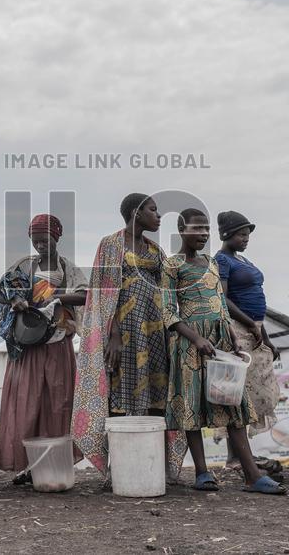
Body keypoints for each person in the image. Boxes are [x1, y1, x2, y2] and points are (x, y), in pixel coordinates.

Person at [161, 209, 285, 494]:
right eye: (197, 229)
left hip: (220, 342)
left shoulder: (211, 263)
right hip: (189, 343)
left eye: (206, 229)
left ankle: (252, 476)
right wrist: (195, 339)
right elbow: (168, 312)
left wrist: (229, 332)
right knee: (191, 404)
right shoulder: (172, 265)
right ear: (182, 230)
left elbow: (220, 301)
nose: (203, 234)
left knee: (233, 404)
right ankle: (203, 473)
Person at [72, 193, 186, 479]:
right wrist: (112, 336)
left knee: (158, 394)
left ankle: (152, 467)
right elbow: (102, 292)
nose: (158, 215)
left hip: (155, 332)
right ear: (136, 212)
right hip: (124, 332)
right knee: (122, 394)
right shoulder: (111, 245)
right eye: (153, 209)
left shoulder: (156, 250)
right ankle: (124, 468)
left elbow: (167, 289)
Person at [0, 214, 88, 482]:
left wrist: (55, 296)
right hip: (27, 347)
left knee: (57, 404)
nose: (41, 246)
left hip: (57, 344)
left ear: (57, 237)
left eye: (45, 240)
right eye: (36, 241)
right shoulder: (24, 266)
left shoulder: (67, 269)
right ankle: (25, 466)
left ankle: (51, 465)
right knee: (26, 405)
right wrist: (17, 299)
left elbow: (84, 295)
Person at [214, 211, 279, 436]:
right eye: (241, 234)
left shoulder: (243, 260)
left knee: (256, 391)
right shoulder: (222, 259)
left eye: (248, 235)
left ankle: (244, 454)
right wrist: (250, 324)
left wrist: (267, 339)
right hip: (237, 329)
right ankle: (235, 456)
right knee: (237, 392)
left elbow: (258, 310)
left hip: (255, 329)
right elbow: (222, 298)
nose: (246, 239)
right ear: (227, 234)